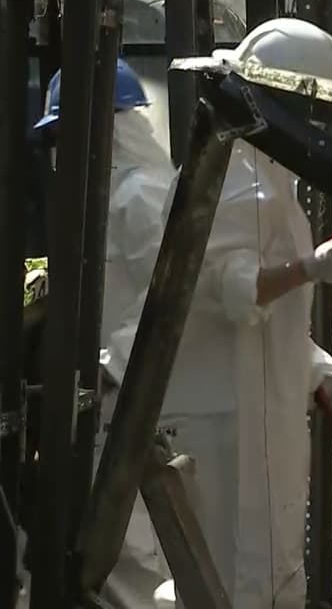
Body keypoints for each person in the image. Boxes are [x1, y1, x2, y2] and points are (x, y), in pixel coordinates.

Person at [128, 18, 332, 607]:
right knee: (226, 579)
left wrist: (314, 369)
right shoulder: (236, 183)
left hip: (259, 409)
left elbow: (267, 313)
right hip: (228, 424)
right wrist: (312, 269)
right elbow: (229, 291)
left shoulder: (264, 177)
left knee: (270, 575)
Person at [34, 59, 176, 607]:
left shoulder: (139, 197)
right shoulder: (116, 199)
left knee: (131, 549)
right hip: (114, 397)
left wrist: (111, 365)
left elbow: (164, 297)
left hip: (129, 397)